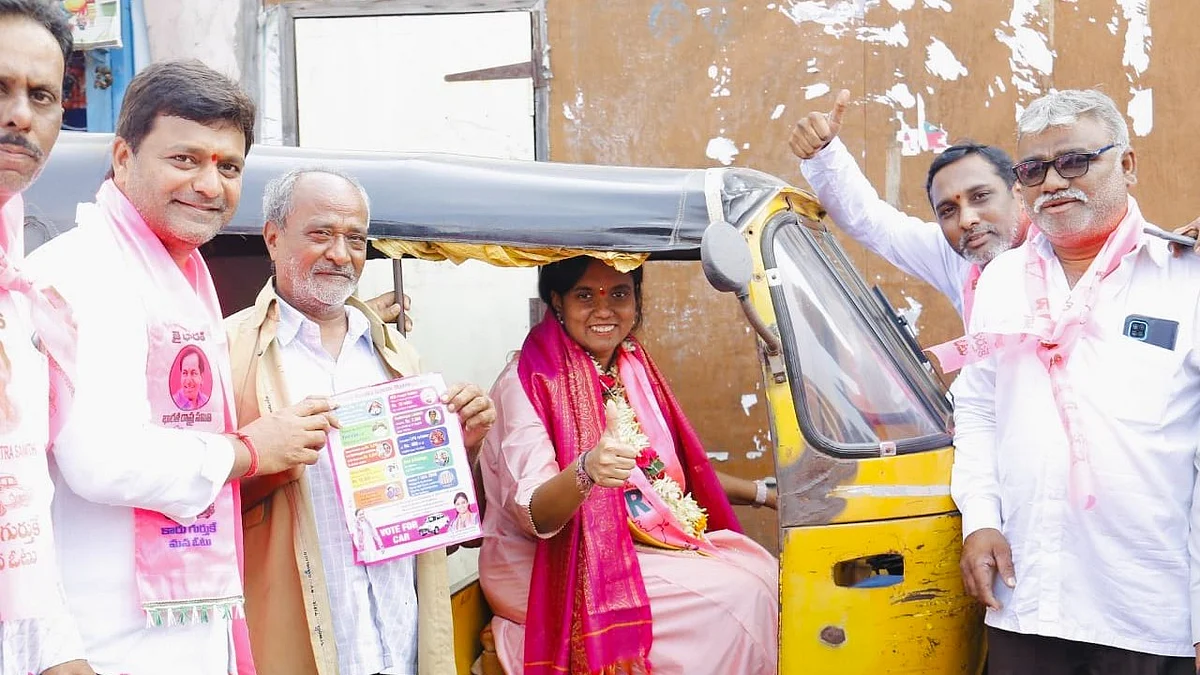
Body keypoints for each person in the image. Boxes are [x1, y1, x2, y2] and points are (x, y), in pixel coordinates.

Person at [26, 61, 341, 675]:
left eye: (228, 167)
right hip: (101, 645)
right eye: (184, 159)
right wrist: (248, 452)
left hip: (183, 630)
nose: (210, 183)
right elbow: (103, 460)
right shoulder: (85, 271)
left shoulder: (183, 275)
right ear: (122, 157)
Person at [949, 89, 1200, 674]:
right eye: (1033, 169)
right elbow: (980, 409)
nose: (1053, 182)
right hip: (1028, 598)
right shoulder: (1001, 280)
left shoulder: (1184, 279)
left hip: (1149, 612)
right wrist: (980, 518)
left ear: (1128, 165)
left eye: (1075, 161)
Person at [225, 167, 497, 675]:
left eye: (355, 238)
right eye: (321, 234)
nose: (340, 253)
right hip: (304, 646)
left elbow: (443, 525)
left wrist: (461, 449)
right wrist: (271, 458)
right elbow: (194, 513)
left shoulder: (396, 355)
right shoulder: (229, 353)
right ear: (273, 237)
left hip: (402, 644)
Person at [478, 256, 779, 674]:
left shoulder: (629, 367)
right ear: (557, 302)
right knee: (738, 595)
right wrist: (586, 470)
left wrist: (765, 495)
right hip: (539, 566)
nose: (604, 310)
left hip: (627, 544)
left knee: (760, 568)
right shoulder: (528, 381)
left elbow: (665, 479)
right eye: (586, 295)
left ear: (637, 300)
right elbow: (533, 515)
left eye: (619, 294)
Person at [0, 2, 93, 674]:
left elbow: (24, 498)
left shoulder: (21, 285)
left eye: (41, 95)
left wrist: (60, 655)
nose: (21, 116)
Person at [790, 89, 1028, 324]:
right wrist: (824, 151)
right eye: (947, 211)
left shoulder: (1060, 248)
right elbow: (871, 222)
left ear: (1019, 192)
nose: (966, 219)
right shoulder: (959, 258)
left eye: (980, 196)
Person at [172, 345, 210, 410]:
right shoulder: (172, 404)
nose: (188, 381)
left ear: (202, 378)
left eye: (193, 373)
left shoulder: (207, 403)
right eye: (185, 373)